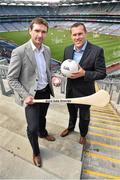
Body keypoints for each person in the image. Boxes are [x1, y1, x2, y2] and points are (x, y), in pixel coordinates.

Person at [7, 17, 61, 167]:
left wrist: (54, 77)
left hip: (45, 92)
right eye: (37, 30)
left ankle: (43, 133)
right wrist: (26, 96)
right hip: (30, 96)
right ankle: (36, 152)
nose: (40, 35)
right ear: (30, 31)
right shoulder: (19, 52)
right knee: (32, 127)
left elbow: (48, 70)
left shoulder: (47, 50)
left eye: (43, 32)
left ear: (46, 33)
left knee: (42, 117)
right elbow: (11, 78)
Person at [60, 22, 106, 144]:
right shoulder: (67, 49)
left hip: (86, 92)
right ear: (71, 36)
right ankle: (70, 128)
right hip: (70, 89)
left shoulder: (97, 51)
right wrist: (60, 76)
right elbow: (64, 68)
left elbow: (102, 73)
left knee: (84, 117)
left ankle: (83, 134)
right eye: (74, 34)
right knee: (72, 112)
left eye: (80, 34)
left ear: (85, 33)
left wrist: (85, 73)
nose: (77, 37)